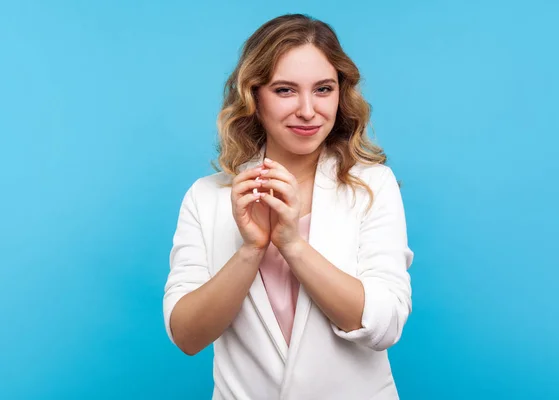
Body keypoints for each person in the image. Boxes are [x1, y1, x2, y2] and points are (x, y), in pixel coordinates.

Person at [163, 13, 414, 400]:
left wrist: (291, 244)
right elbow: (186, 335)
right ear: (254, 96)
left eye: (323, 89)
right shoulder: (206, 197)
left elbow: (385, 324)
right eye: (285, 90)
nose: (308, 110)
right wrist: (251, 249)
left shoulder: (372, 186)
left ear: (340, 93)